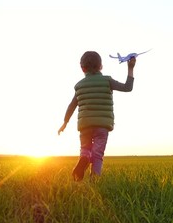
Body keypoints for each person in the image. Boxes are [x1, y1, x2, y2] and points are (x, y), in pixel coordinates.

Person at [58, 51, 136, 182]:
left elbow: (71, 106)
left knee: (85, 149)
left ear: (82, 68)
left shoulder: (79, 86)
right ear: (101, 66)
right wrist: (130, 68)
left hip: (85, 126)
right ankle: (94, 181)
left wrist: (65, 123)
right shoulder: (107, 81)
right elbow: (128, 87)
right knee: (98, 154)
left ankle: (83, 162)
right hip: (102, 126)